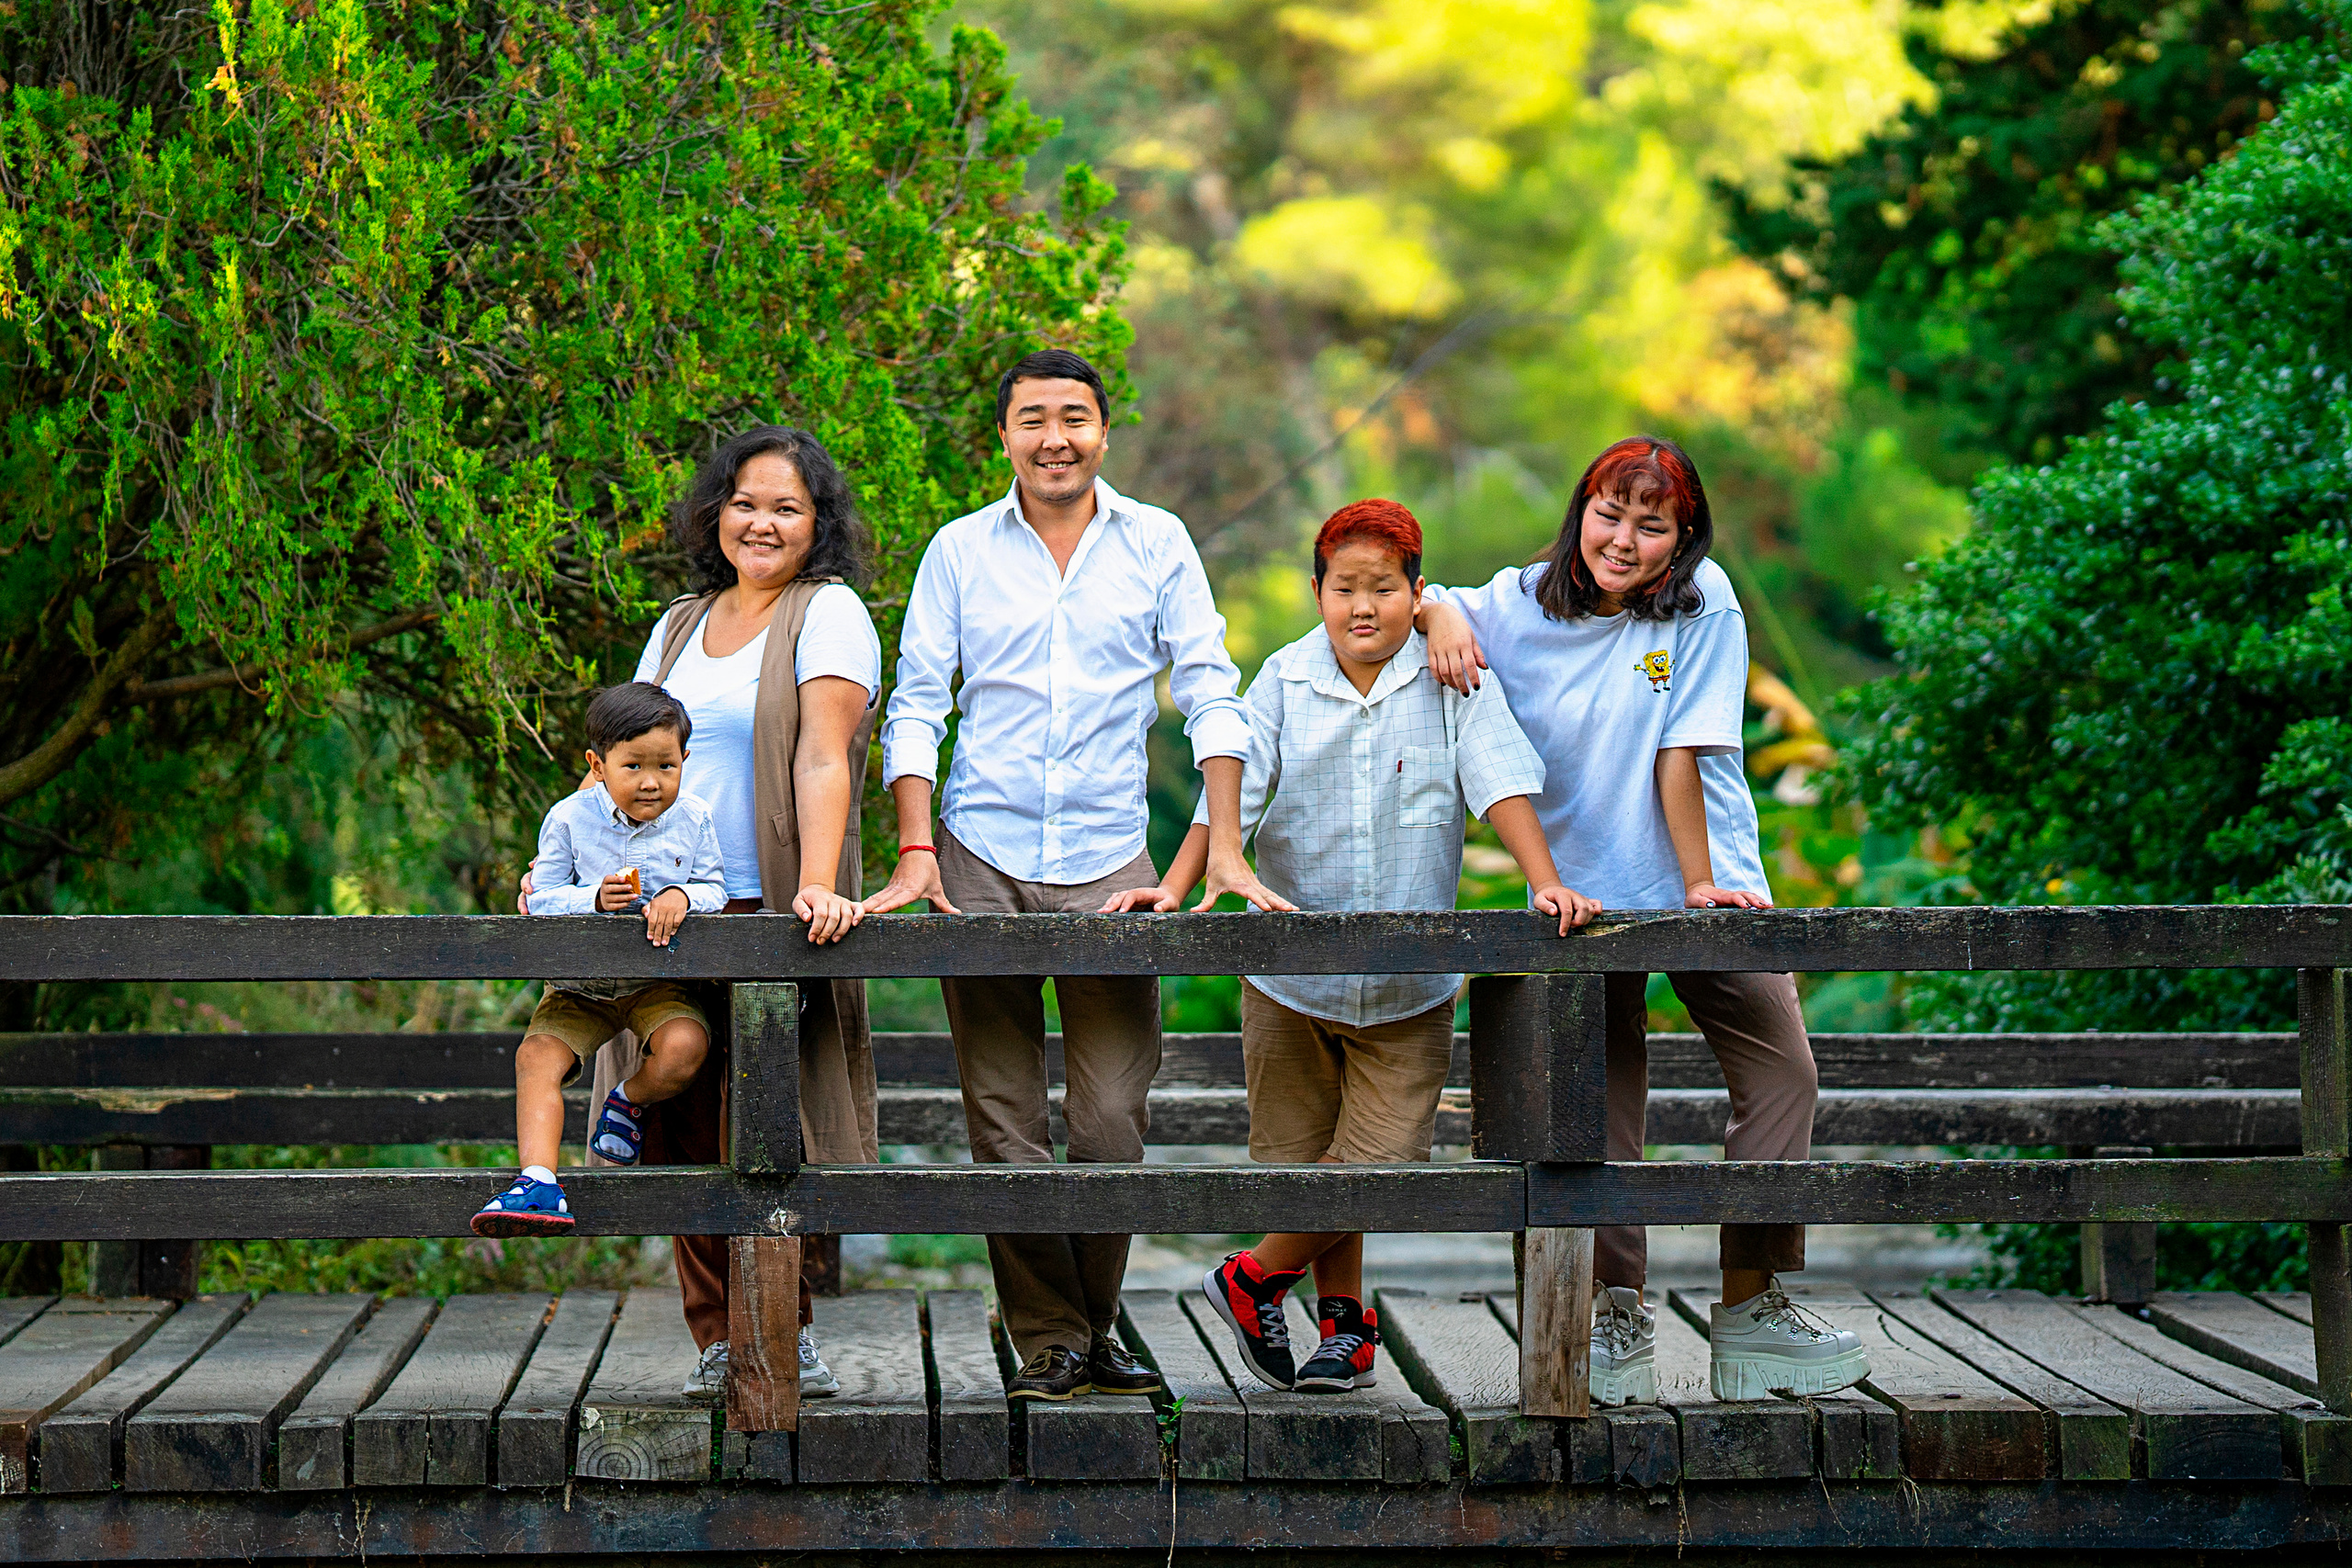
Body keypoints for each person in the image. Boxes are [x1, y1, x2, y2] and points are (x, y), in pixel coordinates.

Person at [1106, 498, 1602, 1393]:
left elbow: (1499, 781)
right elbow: (1230, 798)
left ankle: (1249, 1278)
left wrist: (1544, 881)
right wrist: (1174, 888)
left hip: (1409, 990)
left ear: (1418, 592)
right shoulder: (1284, 680)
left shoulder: (1451, 674)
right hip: (1290, 981)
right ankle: (1346, 1330)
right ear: (1317, 592)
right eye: (1345, 588)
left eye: (1384, 587)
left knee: (1376, 1164)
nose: (1363, 606)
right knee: (1308, 1166)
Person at [865, 347, 1283, 1402]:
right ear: (1004, 435)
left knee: (1108, 1119)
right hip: (978, 855)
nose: (1055, 438)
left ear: (1103, 429)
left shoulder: (1156, 542)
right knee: (1002, 1118)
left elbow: (1211, 688)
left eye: (1074, 417)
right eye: (1033, 419)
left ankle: (1093, 1327)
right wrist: (916, 849)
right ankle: (1051, 1341)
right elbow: (917, 703)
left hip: (1112, 863)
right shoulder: (959, 549)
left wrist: (1222, 844)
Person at [1419, 435, 1869, 1404]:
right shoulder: (1517, 601)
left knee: (1783, 1069)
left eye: (1651, 524)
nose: (1622, 540)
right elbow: (1416, 592)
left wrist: (1699, 883)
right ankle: (1611, 1315)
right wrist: (1437, 610)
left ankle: (1751, 1310)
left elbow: (1681, 752)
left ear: (1684, 536)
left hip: (1712, 881)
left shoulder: (1704, 605)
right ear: (1580, 512)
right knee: (1600, 1105)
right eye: (1608, 514)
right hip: (1578, 897)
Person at [520, 425, 885, 1402]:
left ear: (817, 522)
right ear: (716, 511)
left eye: (786, 507)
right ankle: (720, 1337)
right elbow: (625, 755)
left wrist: (816, 883)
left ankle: (784, 1331)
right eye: (745, 502)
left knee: (766, 1118)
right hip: (661, 913)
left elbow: (825, 754)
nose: (762, 522)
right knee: (675, 1117)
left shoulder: (828, 612)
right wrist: (558, 867)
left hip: (762, 900)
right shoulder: (681, 624)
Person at [473, 682, 726, 1239]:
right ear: (598, 765)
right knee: (536, 1057)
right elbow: (539, 898)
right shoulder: (568, 819)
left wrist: (682, 895)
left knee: (687, 1046)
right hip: (578, 987)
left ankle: (629, 1100)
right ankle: (538, 1181)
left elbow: (714, 887)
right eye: (633, 766)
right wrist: (590, 898)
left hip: (654, 982)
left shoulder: (695, 818)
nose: (651, 781)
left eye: (666, 766)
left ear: (685, 759)